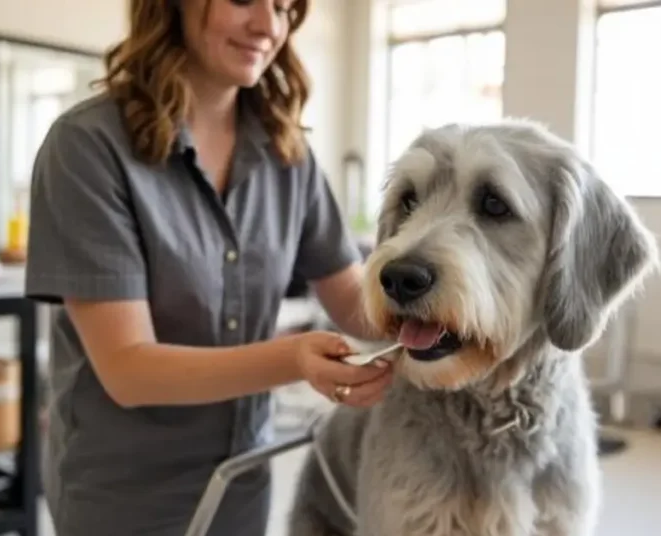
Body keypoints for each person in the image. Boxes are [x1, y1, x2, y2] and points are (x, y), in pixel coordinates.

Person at [23, 0, 393, 534]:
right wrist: (294, 357)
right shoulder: (87, 147)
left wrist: (452, 308)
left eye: (285, 7)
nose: (269, 27)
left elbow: (358, 304)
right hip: (121, 501)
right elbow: (128, 369)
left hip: (240, 486)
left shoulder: (288, 155)